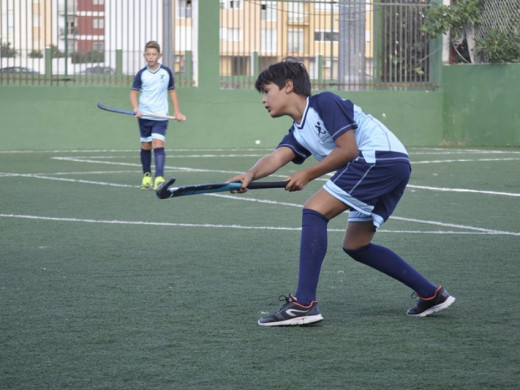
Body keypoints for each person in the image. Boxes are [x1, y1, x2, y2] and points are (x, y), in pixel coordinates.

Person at [227, 58, 455, 327]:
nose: (264, 99)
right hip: (389, 165)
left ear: (288, 86)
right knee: (356, 245)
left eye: (267, 91)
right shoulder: (299, 130)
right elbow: (277, 157)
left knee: (314, 210)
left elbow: (348, 150)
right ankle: (431, 294)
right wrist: (250, 174)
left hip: (377, 159)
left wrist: (308, 174)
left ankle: (303, 304)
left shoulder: (324, 103)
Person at [130, 40, 186, 190]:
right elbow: (133, 93)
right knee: (146, 145)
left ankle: (159, 178)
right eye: (148, 54)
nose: (151, 57)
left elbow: (172, 91)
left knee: (158, 144)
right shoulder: (141, 74)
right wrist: (136, 109)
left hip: (160, 116)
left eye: (153, 54)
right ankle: (147, 176)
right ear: (144, 56)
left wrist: (177, 111)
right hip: (144, 116)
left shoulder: (166, 72)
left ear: (159, 55)